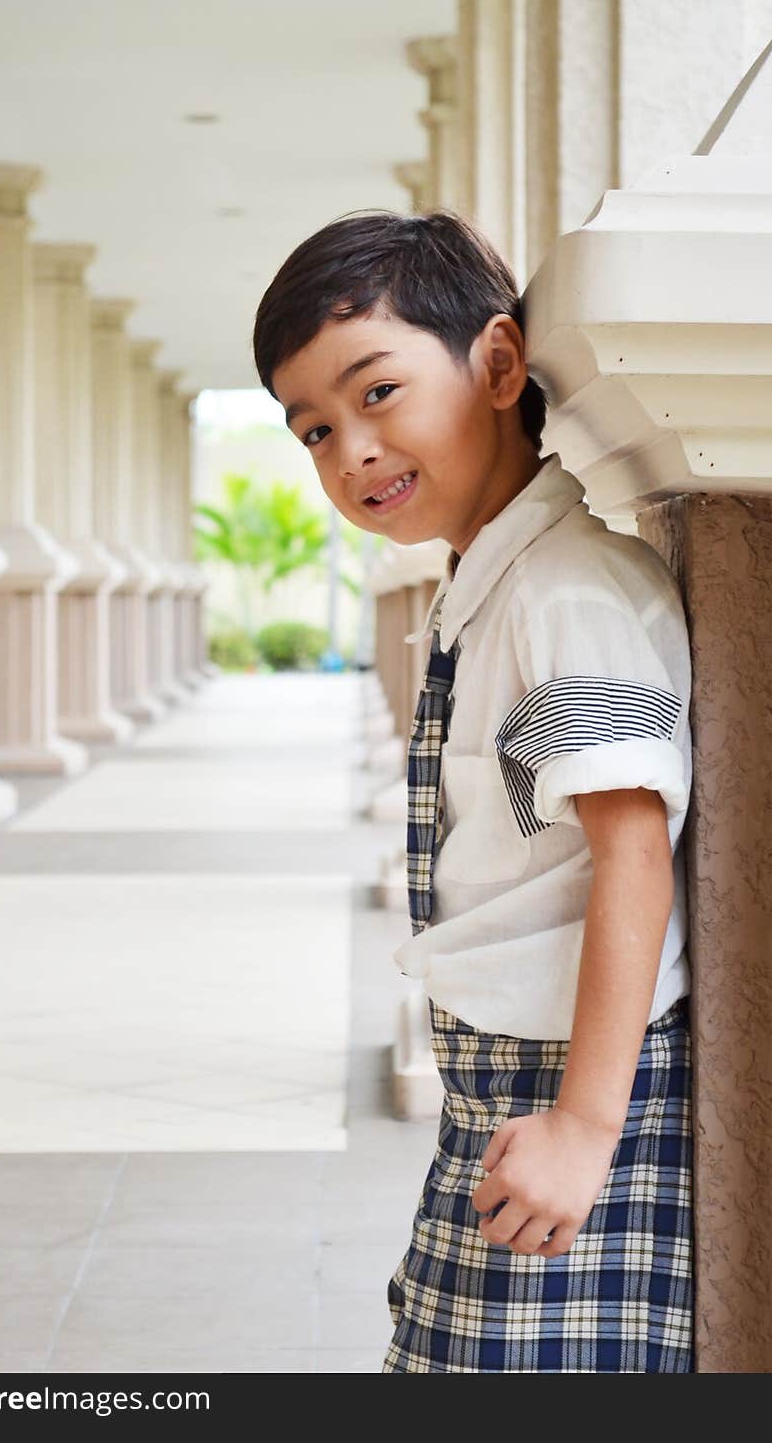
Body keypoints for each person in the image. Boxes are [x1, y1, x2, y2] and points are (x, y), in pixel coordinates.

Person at [252, 210, 694, 1374]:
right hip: (510, 1080)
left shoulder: (567, 594)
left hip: (584, 1085)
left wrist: (587, 1127)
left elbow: (632, 851)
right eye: (313, 429)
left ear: (498, 365)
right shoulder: (492, 582)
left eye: (377, 391)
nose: (350, 449)